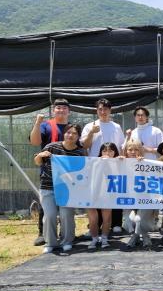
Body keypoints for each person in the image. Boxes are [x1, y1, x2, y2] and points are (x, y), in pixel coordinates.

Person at [34, 124, 85, 253]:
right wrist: (41, 155)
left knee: (66, 214)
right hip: (48, 187)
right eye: (68, 132)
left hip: (68, 189)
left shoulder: (79, 152)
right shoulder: (51, 147)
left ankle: (67, 241)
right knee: (50, 215)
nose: (71, 135)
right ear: (64, 134)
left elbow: (84, 170)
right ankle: (50, 243)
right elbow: (38, 161)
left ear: (78, 136)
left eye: (74, 133)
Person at [29, 98, 71, 246]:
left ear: (69, 111)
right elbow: (34, 142)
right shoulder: (46, 125)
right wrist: (37, 123)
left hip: (68, 173)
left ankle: (65, 234)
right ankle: (42, 233)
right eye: (58, 108)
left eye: (64, 108)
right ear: (54, 110)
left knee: (66, 204)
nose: (61, 110)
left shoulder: (72, 128)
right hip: (48, 172)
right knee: (47, 205)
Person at [80, 98, 126, 234]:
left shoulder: (116, 126)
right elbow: (85, 145)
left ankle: (116, 223)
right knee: (96, 194)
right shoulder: (90, 126)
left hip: (114, 166)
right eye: (100, 109)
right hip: (95, 166)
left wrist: (121, 160)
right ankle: (95, 225)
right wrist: (91, 133)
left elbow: (121, 145)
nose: (103, 112)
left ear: (110, 110)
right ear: (96, 111)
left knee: (115, 192)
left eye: (105, 109)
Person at [120, 139, 155, 250]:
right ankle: (140, 235)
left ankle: (138, 237)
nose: (133, 152)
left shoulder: (146, 163)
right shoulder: (121, 162)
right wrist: (115, 161)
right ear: (126, 151)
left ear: (141, 151)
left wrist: (143, 165)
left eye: (136, 149)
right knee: (128, 221)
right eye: (130, 149)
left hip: (144, 198)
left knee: (139, 220)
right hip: (128, 199)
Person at [87, 142, 120, 250]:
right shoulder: (93, 162)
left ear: (115, 152)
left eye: (110, 150)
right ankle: (94, 238)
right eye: (104, 150)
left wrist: (123, 160)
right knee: (93, 219)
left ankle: (104, 238)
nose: (107, 153)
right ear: (100, 152)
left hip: (108, 194)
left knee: (107, 218)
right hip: (92, 194)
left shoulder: (120, 163)